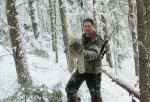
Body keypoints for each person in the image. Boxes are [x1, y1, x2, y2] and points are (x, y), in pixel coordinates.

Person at [65, 18, 103, 102]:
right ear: (83, 27)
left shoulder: (97, 39)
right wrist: (71, 50)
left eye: (89, 26)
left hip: (94, 72)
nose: (87, 28)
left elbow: (94, 54)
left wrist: (82, 52)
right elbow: (77, 54)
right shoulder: (82, 38)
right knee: (70, 89)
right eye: (85, 26)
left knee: (95, 97)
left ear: (92, 26)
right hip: (81, 69)